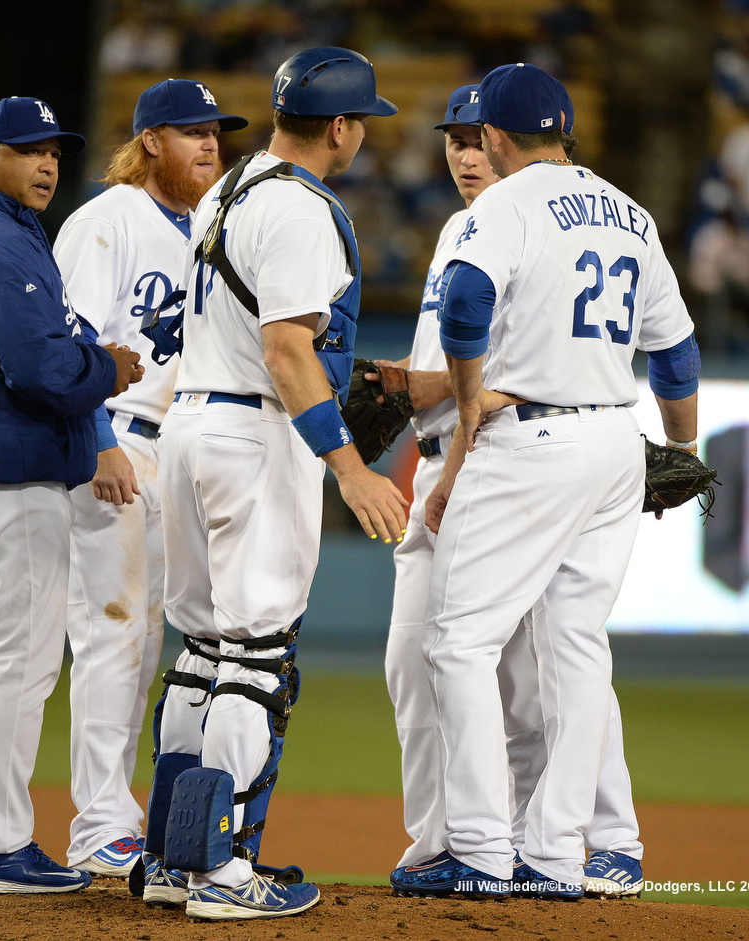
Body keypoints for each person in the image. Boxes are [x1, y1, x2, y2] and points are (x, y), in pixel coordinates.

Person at [392, 64, 699, 901]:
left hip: (531, 443)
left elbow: (464, 301)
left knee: (458, 642)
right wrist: (683, 447)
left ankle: (485, 849)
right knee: (573, 647)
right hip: (615, 440)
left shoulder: (505, 204)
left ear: (493, 135)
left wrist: (466, 403)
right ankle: (561, 854)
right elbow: (676, 353)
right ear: (565, 130)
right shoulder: (629, 209)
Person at [141, 46, 407, 920]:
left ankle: (171, 859)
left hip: (191, 426)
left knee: (204, 651)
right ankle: (220, 873)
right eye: (363, 118)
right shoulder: (297, 209)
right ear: (341, 126)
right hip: (252, 433)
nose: (364, 132)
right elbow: (289, 349)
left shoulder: (233, 186)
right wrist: (351, 467)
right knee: (255, 656)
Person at [0, 96, 144, 894]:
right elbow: (43, 370)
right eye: (27, 150)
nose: (47, 163)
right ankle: (0, 848)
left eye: (54, 150)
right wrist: (108, 369)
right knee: (18, 665)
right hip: (5, 480)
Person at [52, 79, 248, 880]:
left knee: (155, 642)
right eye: (192, 131)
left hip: (182, 448)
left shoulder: (209, 225)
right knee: (115, 631)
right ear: (151, 141)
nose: (210, 144)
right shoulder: (106, 221)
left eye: (217, 133)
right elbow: (72, 343)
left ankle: (132, 815)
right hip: (118, 441)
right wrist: (98, 442)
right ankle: (99, 822)